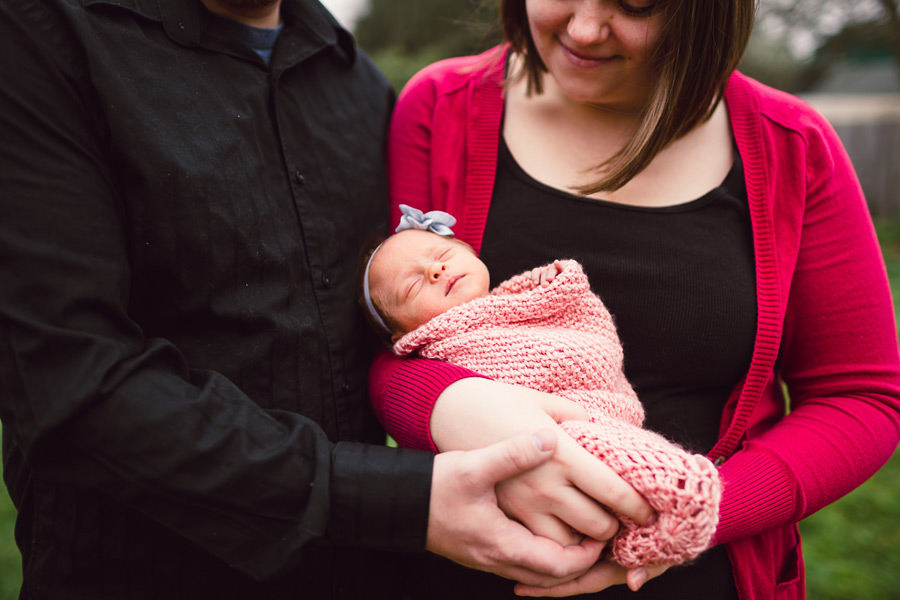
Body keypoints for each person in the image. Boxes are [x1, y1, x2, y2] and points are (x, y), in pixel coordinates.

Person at [0, 0, 658, 597]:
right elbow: (70, 382)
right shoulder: (42, 37)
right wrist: (408, 502)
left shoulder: (357, 84)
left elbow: (400, 339)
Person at [369, 0, 900, 598]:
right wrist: (452, 411)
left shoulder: (792, 145)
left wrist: (686, 512)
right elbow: (389, 335)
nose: (585, 29)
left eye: (636, 4)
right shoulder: (442, 108)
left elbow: (860, 397)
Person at [362, 206, 723, 568]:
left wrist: (549, 289)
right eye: (412, 286)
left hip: (593, 404)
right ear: (402, 335)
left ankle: (663, 506)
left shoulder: (523, 300)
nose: (435, 269)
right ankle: (663, 503)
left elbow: (584, 329)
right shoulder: (435, 352)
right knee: (635, 470)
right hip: (545, 436)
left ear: (470, 251)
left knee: (631, 466)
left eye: (442, 254)